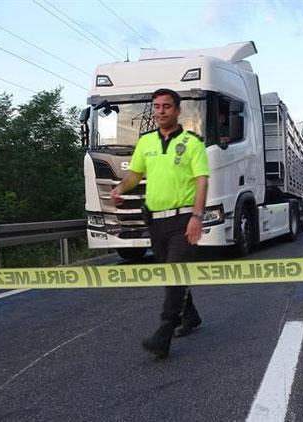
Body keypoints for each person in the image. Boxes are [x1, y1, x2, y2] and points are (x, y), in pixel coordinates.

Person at [110, 88, 209, 358]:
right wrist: (120, 189)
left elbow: (202, 180)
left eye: (166, 106)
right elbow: (134, 176)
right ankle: (191, 316)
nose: (161, 111)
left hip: (183, 220)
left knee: (174, 272)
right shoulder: (146, 143)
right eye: (157, 106)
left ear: (177, 110)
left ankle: (164, 331)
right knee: (171, 273)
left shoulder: (192, 143)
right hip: (155, 221)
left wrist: (197, 217)